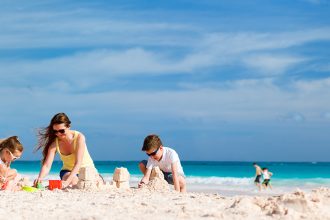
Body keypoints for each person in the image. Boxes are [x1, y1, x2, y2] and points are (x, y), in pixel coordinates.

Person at [34, 112, 102, 188]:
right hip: (68, 172)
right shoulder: (54, 144)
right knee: (73, 182)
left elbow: (78, 163)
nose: (58, 134)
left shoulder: (79, 137)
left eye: (61, 131)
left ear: (69, 126)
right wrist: (40, 178)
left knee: (96, 184)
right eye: (55, 131)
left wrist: (66, 182)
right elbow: (47, 165)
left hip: (87, 170)